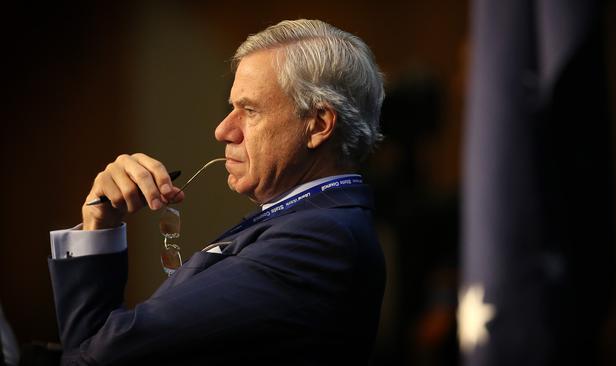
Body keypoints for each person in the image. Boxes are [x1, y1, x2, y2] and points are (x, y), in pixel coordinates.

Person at [48, 19, 386, 365]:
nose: (223, 130)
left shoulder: (319, 239)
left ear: (317, 124)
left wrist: (98, 232)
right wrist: (99, 223)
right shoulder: (308, 222)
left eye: (250, 110)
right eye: (231, 109)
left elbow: (98, 357)